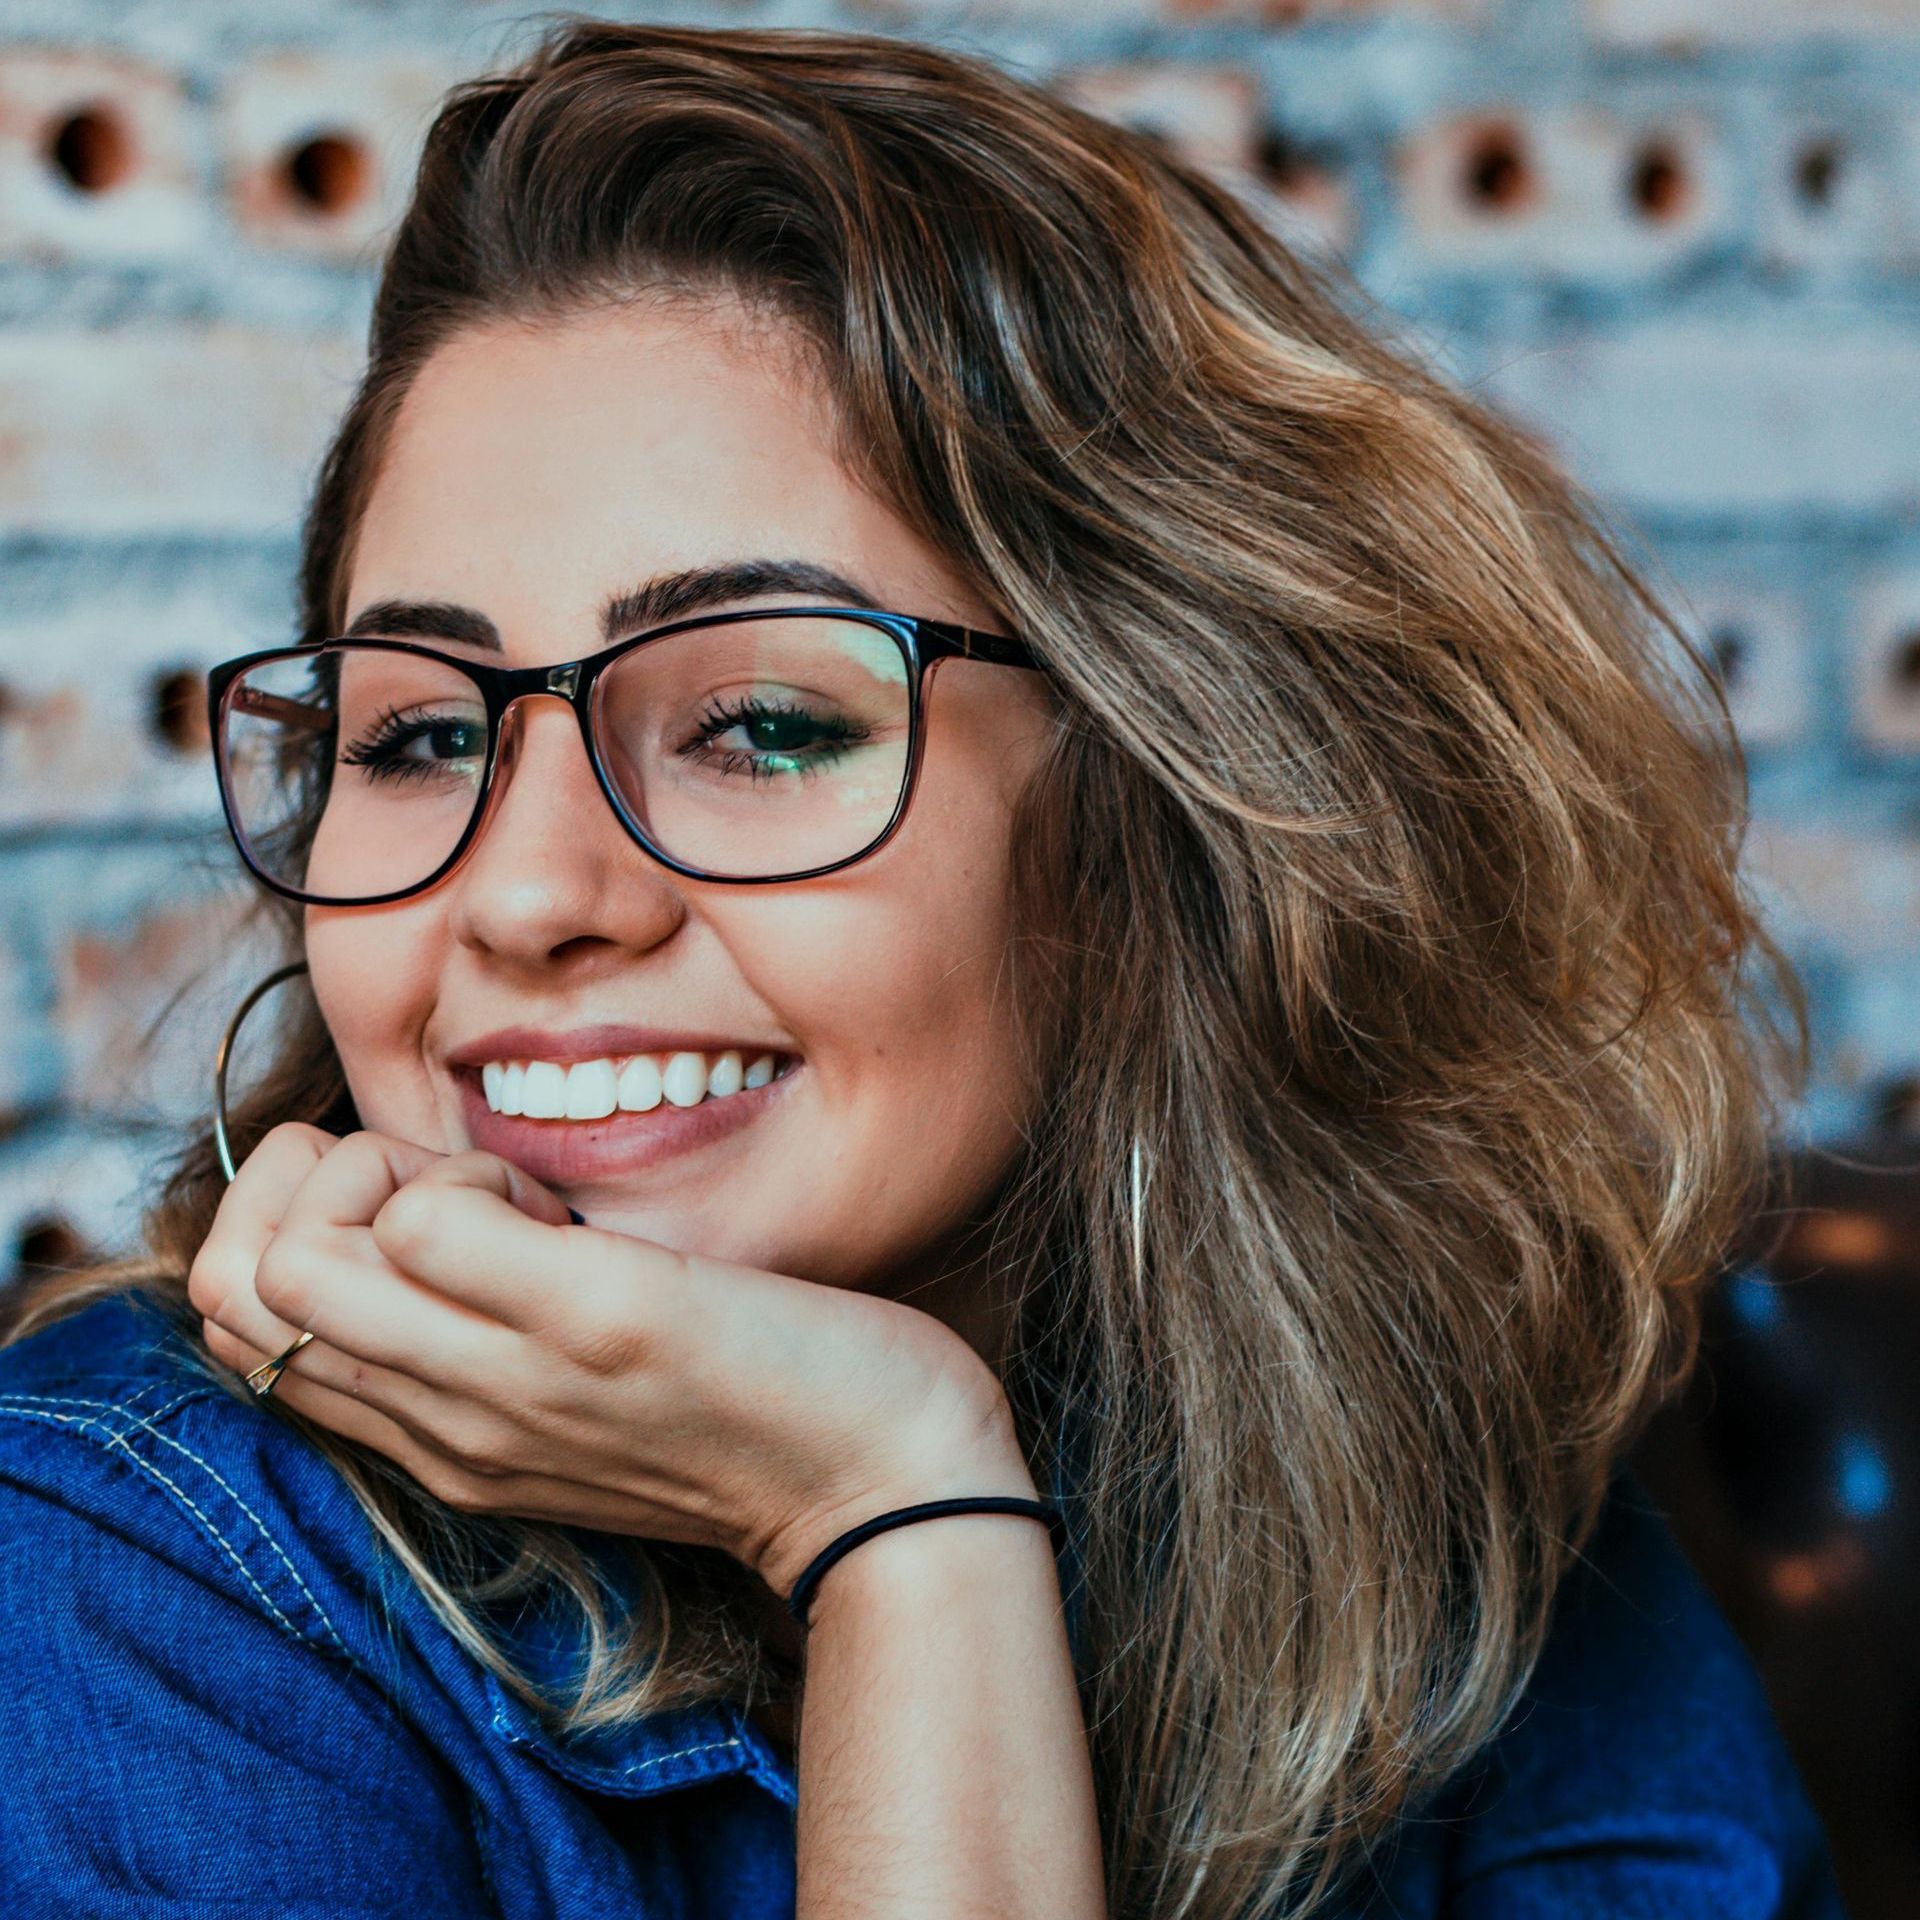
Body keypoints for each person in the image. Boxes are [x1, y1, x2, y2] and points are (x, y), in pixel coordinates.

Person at [0, 19, 1850, 1920]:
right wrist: (902, 1526)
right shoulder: (128, 1570)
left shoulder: (1427, 1490)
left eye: (761, 722)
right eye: (419, 736)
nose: (527, 896)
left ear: (1175, 804)